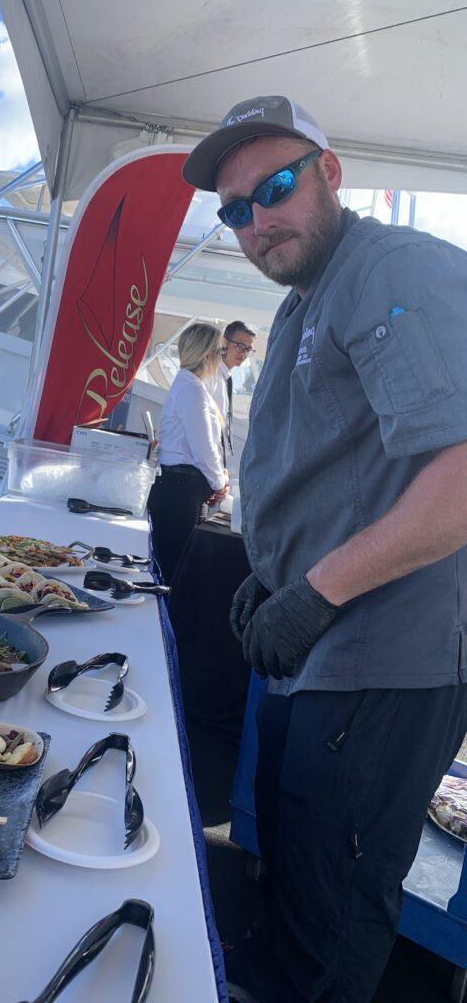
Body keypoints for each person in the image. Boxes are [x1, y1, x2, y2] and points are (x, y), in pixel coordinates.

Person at [182, 95, 467, 1003]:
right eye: (234, 209)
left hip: (385, 656)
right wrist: (270, 578)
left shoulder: (395, 270)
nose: (256, 220)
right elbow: (336, 472)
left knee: (335, 897)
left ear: (330, 173)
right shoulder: (311, 300)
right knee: (294, 859)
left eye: (273, 186)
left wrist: (311, 595)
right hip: (321, 648)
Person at [148, 322, 230, 583]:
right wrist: (220, 482)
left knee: (169, 566)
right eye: (221, 352)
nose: (222, 358)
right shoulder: (192, 389)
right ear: (208, 355)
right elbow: (204, 446)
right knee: (175, 569)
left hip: (178, 487)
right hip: (181, 490)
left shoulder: (188, 386)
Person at [211, 320, 257, 457]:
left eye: (248, 350)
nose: (243, 354)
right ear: (224, 342)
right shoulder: (210, 376)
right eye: (239, 347)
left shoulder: (225, 378)